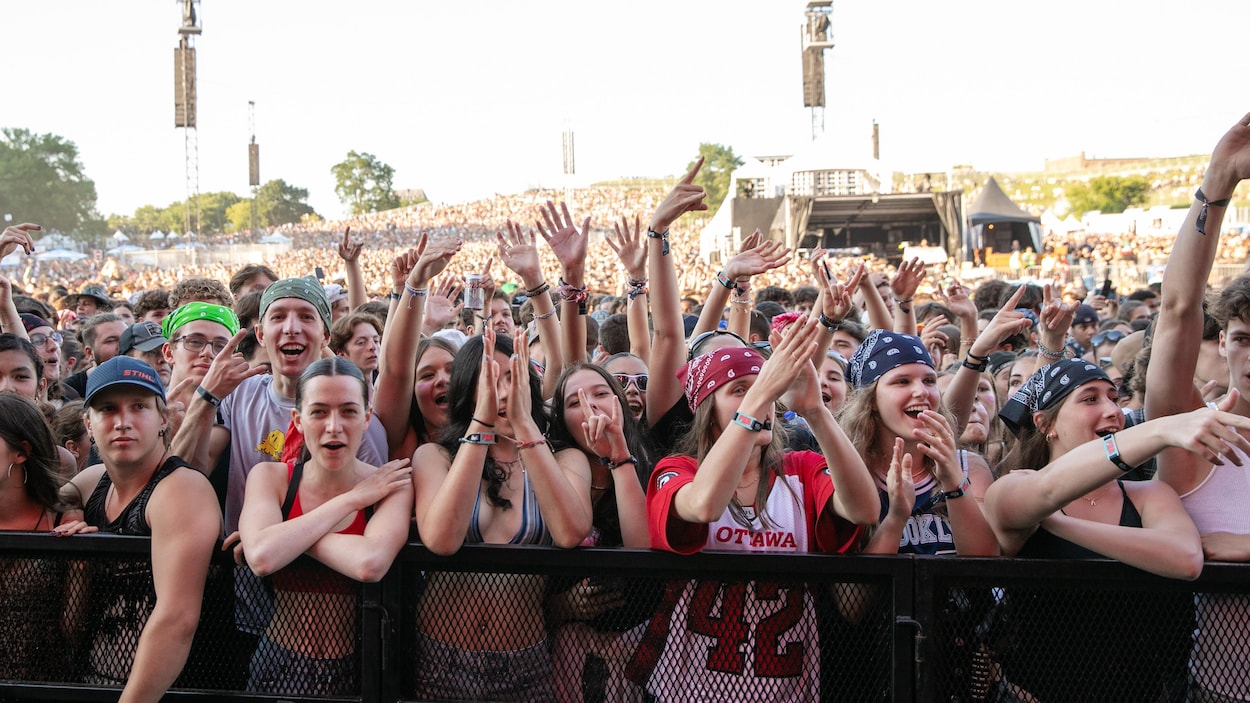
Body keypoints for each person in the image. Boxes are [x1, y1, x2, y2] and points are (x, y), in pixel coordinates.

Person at [628, 318, 878, 702]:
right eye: (738, 390)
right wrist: (760, 395)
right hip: (689, 690)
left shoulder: (802, 469)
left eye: (762, 388)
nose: (756, 399)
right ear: (708, 409)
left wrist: (815, 412)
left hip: (785, 688)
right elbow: (705, 504)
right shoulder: (677, 470)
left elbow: (865, 509)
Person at [985, 357, 1235, 701]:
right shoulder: (1014, 486)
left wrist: (1060, 524)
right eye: (1090, 399)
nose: (1112, 410)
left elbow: (1186, 559)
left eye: (1114, 398)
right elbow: (1044, 492)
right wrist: (1158, 430)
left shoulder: (1148, 494)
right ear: (1045, 423)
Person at [410, 327, 592, 701]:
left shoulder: (565, 458)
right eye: (489, 380)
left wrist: (525, 424)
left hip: (525, 663)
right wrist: (481, 426)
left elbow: (570, 532)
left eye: (513, 377)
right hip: (440, 657)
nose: (504, 392)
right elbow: (441, 539)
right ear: (467, 391)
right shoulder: (435, 456)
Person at [1146, 111, 1250, 702]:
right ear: (1225, 345)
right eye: (1241, 337)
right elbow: (1179, 311)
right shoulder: (1197, 438)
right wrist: (1218, 180)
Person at [239, 358, 412, 696]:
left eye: (348, 412)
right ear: (298, 420)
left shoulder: (391, 484)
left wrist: (287, 536)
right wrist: (351, 501)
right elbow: (261, 557)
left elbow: (369, 563)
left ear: (366, 418)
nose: (334, 426)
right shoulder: (270, 477)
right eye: (318, 412)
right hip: (280, 664)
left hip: (362, 670)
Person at [62, 356, 220, 703]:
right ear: (88, 423)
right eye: (107, 409)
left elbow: (177, 620)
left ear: (164, 418)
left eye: (138, 407)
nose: (123, 422)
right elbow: (61, 492)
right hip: (93, 680)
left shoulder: (180, 490)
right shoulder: (93, 484)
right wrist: (68, 508)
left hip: (167, 692)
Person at [544, 363, 652, 703]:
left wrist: (619, 457)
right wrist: (563, 607)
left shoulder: (650, 463)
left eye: (601, 394)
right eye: (574, 403)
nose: (590, 407)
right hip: (566, 659)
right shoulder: (555, 468)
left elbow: (642, 550)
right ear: (562, 420)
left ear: (619, 403)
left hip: (638, 654)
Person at [0, 393, 92, 682]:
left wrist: (81, 565)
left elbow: (73, 633)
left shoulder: (62, 519)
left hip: (43, 686)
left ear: (21, 452)